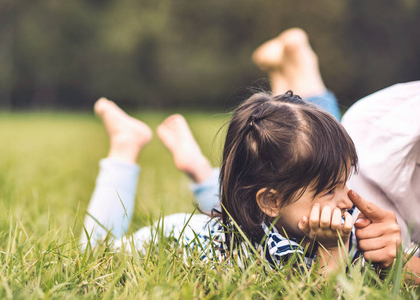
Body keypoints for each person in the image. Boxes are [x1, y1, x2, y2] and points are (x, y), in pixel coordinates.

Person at [83, 91, 360, 274]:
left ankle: (200, 169)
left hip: (248, 215)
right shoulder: (257, 256)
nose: (348, 200)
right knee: (94, 253)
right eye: (329, 190)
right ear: (272, 201)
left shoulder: (326, 223)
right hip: (183, 231)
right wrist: (333, 250)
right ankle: (124, 145)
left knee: (241, 199)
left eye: (345, 182)